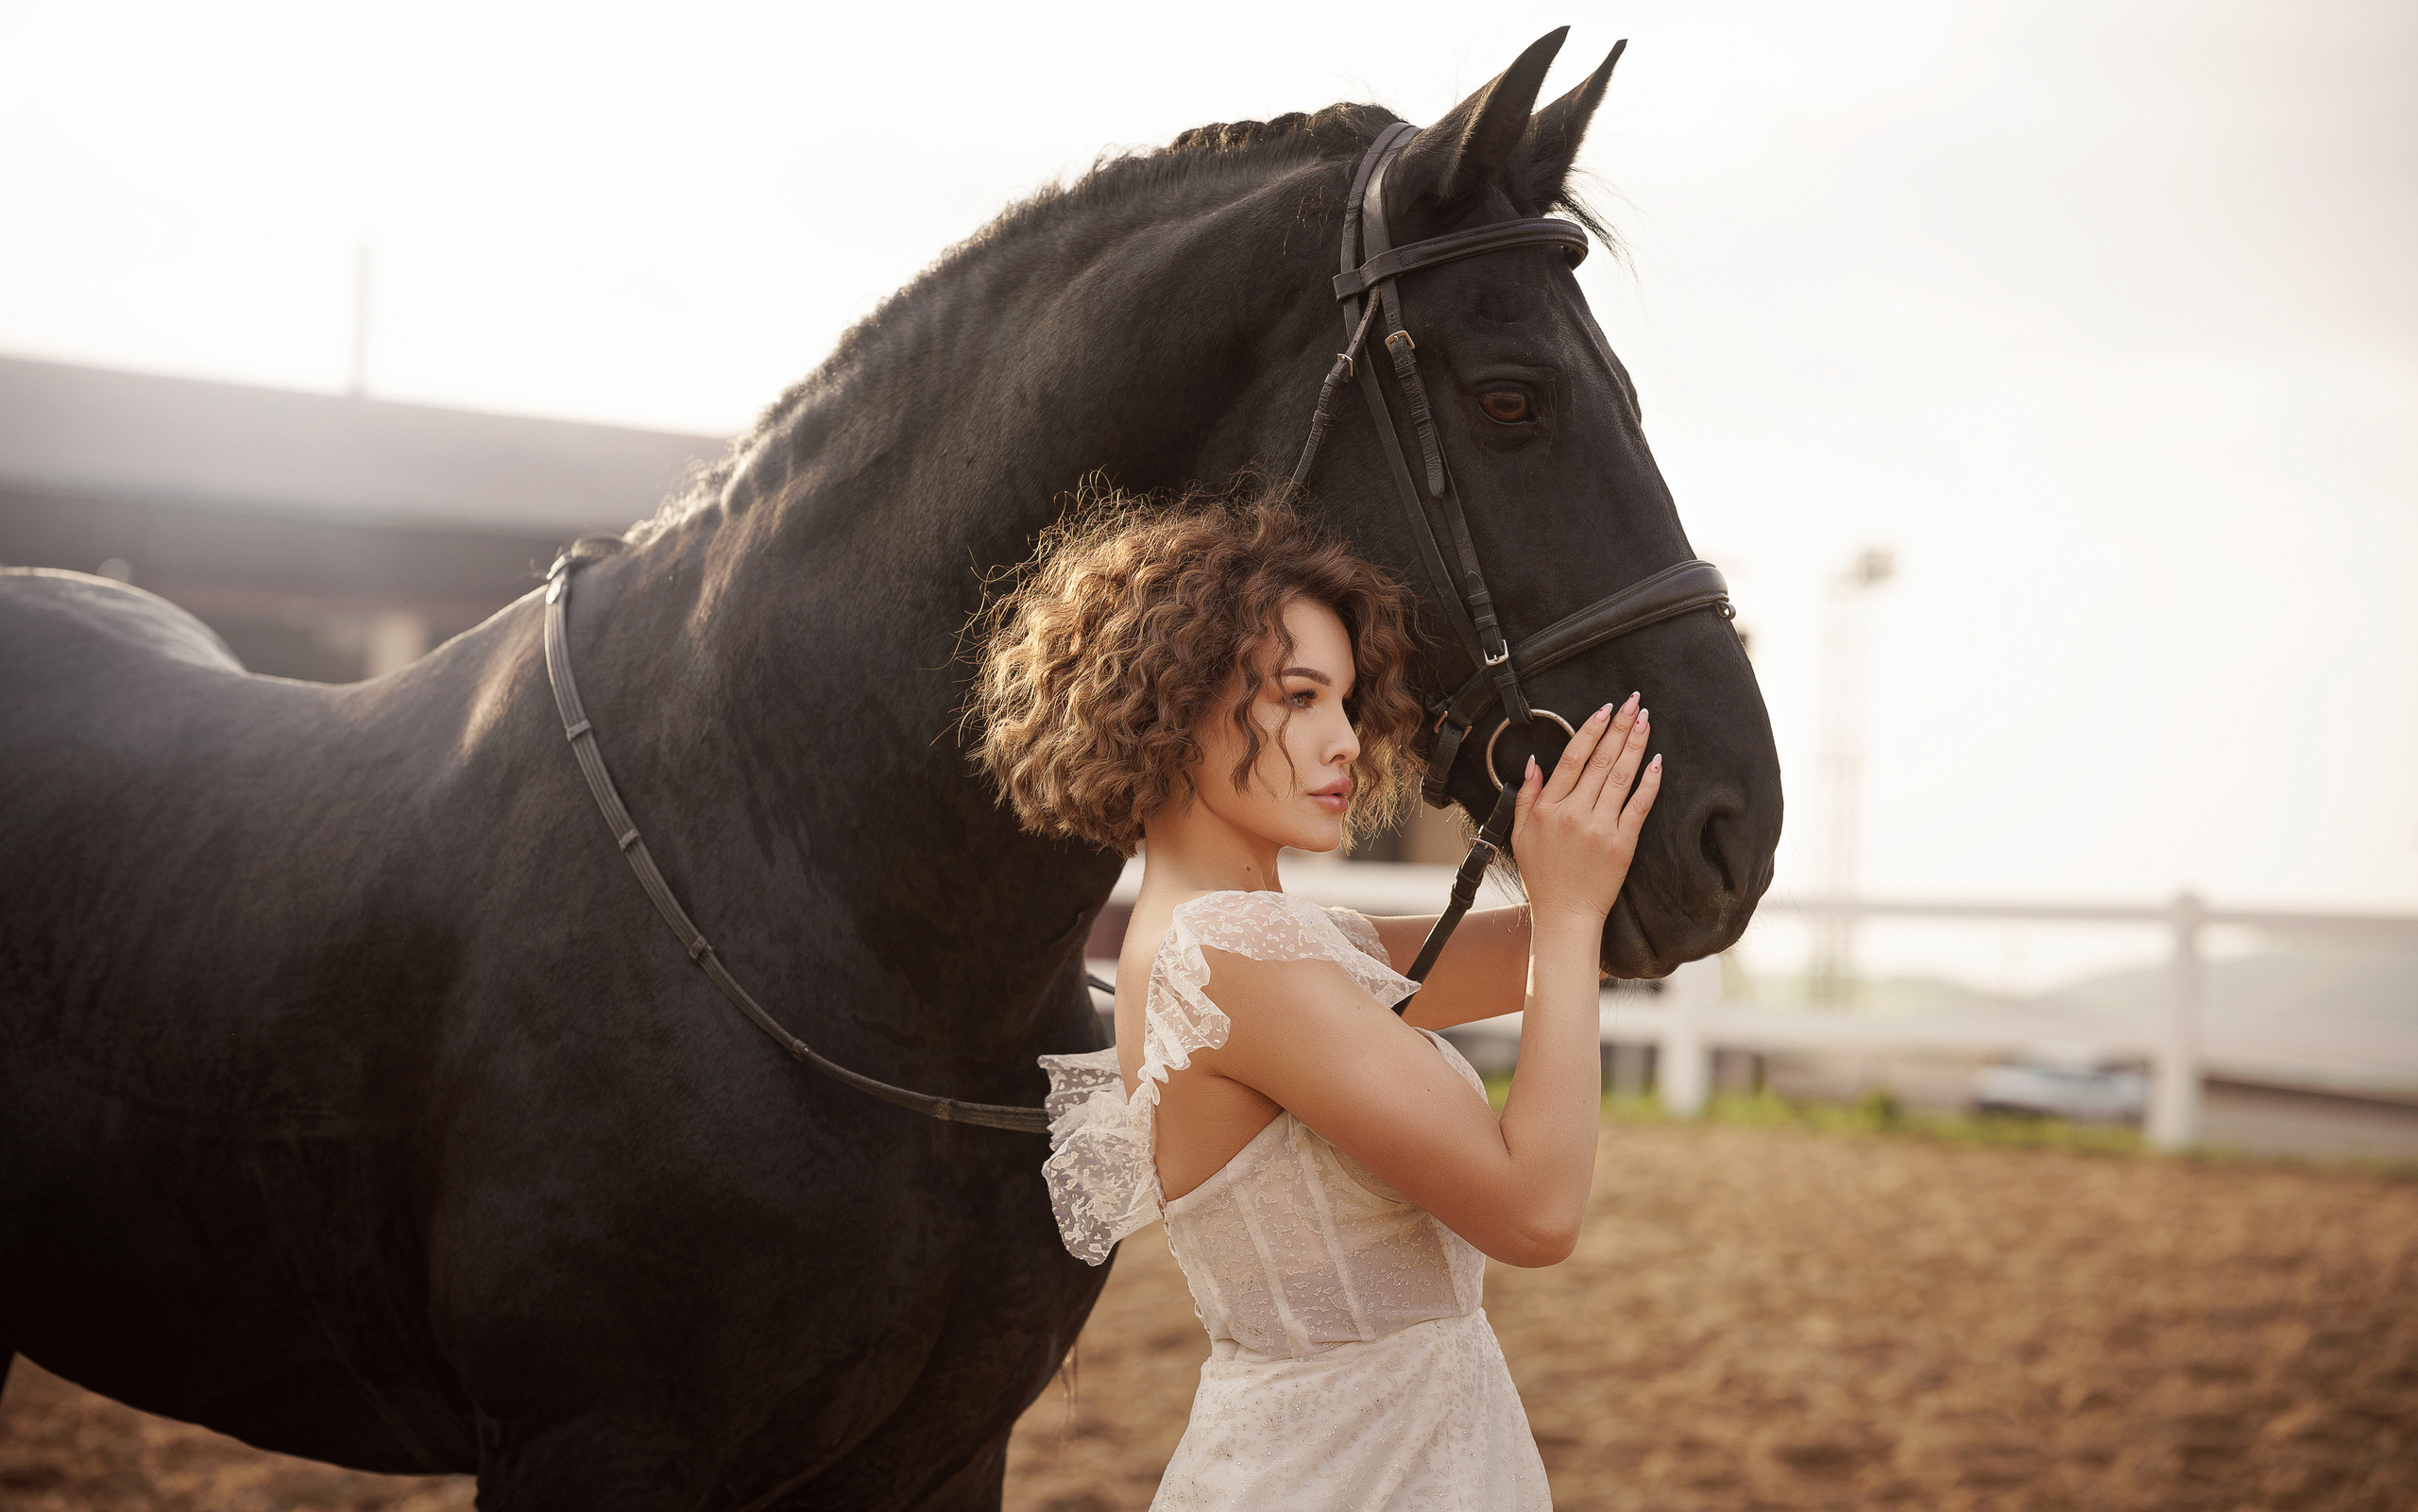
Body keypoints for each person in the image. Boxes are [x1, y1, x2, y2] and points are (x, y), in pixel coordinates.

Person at [970, 493, 1660, 1511]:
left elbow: (1571, 946)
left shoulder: (1264, 937)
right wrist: (1565, 915)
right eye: (1298, 695)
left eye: (1345, 699)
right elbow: (1536, 1212)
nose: (1342, 738)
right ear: (1171, 702)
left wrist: (1626, 864)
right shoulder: (1230, 953)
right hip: (1355, 1469)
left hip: (1367, 1448)